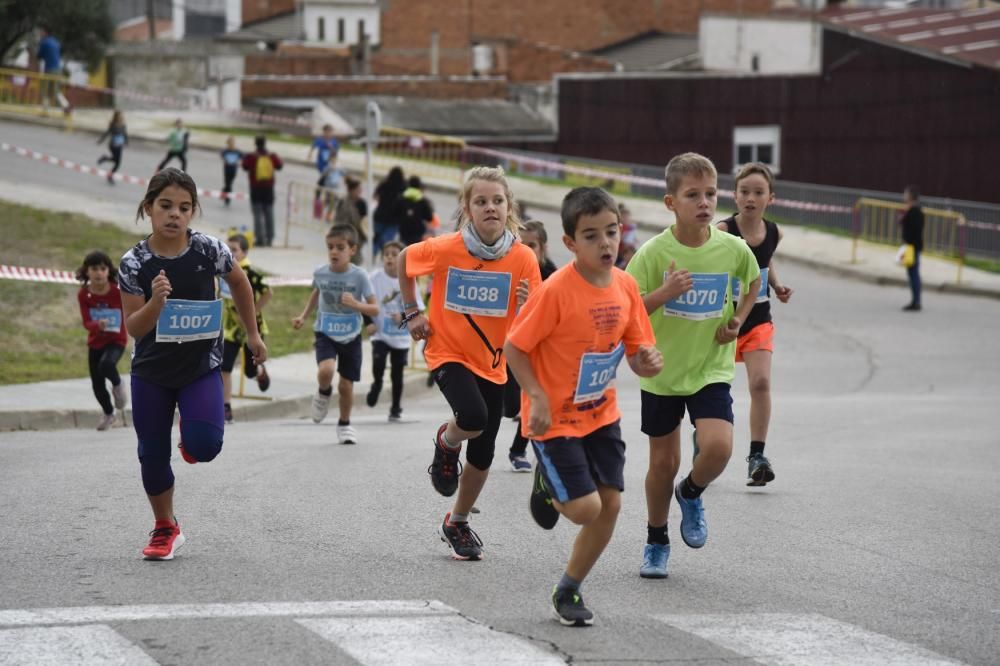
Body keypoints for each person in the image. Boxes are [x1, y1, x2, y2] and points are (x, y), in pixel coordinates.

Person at [505, 187, 662, 626]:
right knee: (583, 510)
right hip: (553, 419)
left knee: (609, 505)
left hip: (601, 415)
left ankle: (568, 589)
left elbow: (638, 352)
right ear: (570, 243)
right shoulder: (556, 291)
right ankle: (547, 483)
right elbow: (515, 348)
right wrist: (535, 396)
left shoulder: (627, 286)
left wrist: (647, 360)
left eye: (611, 232)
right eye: (591, 236)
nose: (605, 243)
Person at [118, 168, 267, 561]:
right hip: (152, 371)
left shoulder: (210, 250)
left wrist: (252, 334)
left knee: (205, 446)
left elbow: (240, 284)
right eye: (165, 206)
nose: (174, 215)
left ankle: (191, 436)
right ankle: (165, 527)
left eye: (184, 208)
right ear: (148, 208)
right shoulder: (134, 262)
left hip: (200, 366)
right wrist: (155, 303)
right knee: (151, 453)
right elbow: (134, 327)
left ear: (193, 212)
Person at [625, 152, 760, 579]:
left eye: (710, 194)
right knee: (662, 464)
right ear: (671, 202)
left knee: (719, 447)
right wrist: (665, 293)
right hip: (662, 372)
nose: (704, 203)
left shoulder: (732, 248)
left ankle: (692, 491)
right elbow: (626, 309)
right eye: (692, 195)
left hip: (710, 367)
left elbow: (753, 280)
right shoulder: (651, 254)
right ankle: (656, 539)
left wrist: (738, 319)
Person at [398, 165, 542, 561]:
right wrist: (413, 312)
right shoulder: (446, 248)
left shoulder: (524, 258)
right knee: (472, 416)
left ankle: (457, 521)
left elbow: (536, 318)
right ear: (467, 207)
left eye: (497, 200)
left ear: (508, 205)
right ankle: (446, 442)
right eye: (481, 201)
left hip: (493, 362)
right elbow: (406, 260)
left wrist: (527, 306)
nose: (490, 207)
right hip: (447, 351)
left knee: (484, 452)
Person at [717, 163, 793, 487]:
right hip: (723, 322)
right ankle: (705, 438)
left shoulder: (774, 232)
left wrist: (775, 285)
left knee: (760, 384)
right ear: (734, 195)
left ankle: (757, 456)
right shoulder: (722, 231)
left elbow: (765, 260)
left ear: (770, 198)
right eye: (744, 191)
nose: (750, 198)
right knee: (713, 390)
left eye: (758, 192)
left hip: (758, 319)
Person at [292, 225, 378, 445]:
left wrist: (356, 304)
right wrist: (303, 316)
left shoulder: (360, 276)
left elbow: (375, 309)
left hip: (351, 335)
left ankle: (344, 424)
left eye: (340, 247)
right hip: (325, 331)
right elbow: (317, 292)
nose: (334, 252)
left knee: (346, 385)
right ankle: (323, 393)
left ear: (352, 250)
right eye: (330, 247)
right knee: (326, 370)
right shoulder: (321, 272)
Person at [504, 219, 558, 473]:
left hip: (537, 351)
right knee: (510, 406)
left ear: (543, 248)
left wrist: (529, 306)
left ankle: (518, 450)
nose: (526, 250)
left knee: (531, 398)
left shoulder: (553, 277)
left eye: (532, 245)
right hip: (506, 348)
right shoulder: (508, 270)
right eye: (520, 244)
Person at [365, 240, 424, 420]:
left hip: (400, 336)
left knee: (397, 373)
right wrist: (368, 322)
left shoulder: (408, 279)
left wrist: (402, 316)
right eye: (387, 254)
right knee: (379, 363)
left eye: (394, 254)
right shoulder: (373, 278)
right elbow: (363, 302)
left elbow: (419, 309)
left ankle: (396, 407)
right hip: (380, 334)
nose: (390, 258)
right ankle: (376, 385)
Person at [220, 233, 272, 424]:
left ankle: (259, 372)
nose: (230, 254)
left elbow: (268, 293)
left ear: (244, 252)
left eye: (234, 250)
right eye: (228, 249)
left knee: (249, 371)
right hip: (232, 329)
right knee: (224, 366)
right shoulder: (222, 270)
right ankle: (226, 406)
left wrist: (251, 311)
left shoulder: (251, 273)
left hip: (252, 328)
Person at [76, 250, 129, 431]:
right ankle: (109, 413)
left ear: (108, 271)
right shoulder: (84, 295)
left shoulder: (117, 292)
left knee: (106, 365)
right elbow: (86, 322)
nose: (98, 272)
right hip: (96, 342)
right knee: (97, 384)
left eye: (102, 268)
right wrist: (97, 324)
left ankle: (118, 385)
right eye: (94, 269)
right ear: (87, 272)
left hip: (116, 340)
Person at [241, 135, 284, 248]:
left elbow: (244, 166)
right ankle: (270, 238)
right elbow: (279, 166)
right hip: (269, 189)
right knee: (269, 212)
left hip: (255, 189)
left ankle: (260, 239)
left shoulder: (251, 156)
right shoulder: (271, 156)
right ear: (265, 143)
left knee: (257, 214)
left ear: (255, 144)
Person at [333, 176, 369, 265]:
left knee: (355, 260)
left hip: (357, 237)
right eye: (358, 189)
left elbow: (364, 222)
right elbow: (338, 219)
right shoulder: (343, 202)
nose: (360, 191)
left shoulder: (362, 203)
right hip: (343, 235)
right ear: (352, 190)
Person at [372, 167, 406, 258]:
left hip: (380, 216)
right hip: (394, 219)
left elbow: (375, 197)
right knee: (387, 240)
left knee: (376, 238)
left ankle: (373, 255)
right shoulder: (403, 187)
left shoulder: (384, 184)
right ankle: (386, 256)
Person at [900, 185, 925, 312]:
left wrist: (908, 242)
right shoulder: (913, 209)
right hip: (912, 246)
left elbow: (914, 230)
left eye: (905, 193)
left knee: (913, 273)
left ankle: (916, 301)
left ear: (910, 196)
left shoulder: (915, 211)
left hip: (912, 247)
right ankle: (915, 300)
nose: (903, 196)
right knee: (912, 273)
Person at [36, 25, 70, 115]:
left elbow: (39, 56)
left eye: (41, 32)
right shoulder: (56, 42)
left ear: (46, 33)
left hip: (49, 70)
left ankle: (45, 111)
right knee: (56, 91)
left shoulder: (44, 43)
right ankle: (66, 106)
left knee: (45, 91)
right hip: (58, 70)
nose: (40, 33)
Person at [396, 176, 434, 247]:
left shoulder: (401, 198)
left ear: (408, 185)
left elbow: (395, 212)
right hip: (417, 231)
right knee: (413, 250)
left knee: (402, 248)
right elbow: (429, 218)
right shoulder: (423, 200)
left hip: (403, 229)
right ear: (419, 186)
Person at [97, 111, 128, 184]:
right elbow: (107, 133)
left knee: (116, 162)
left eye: (122, 115)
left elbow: (125, 134)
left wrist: (126, 141)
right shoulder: (113, 125)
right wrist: (100, 140)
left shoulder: (123, 125)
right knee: (117, 162)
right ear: (116, 117)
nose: (121, 117)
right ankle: (110, 176)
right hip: (113, 145)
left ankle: (105, 159)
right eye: (120, 116)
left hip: (120, 146)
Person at [220, 137, 243, 207]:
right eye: (230, 143)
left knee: (229, 183)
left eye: (232, 142)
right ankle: (227, 198)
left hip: (233, 170)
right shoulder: (225, 151)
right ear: (228, 143)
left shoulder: (237, 151)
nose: (231, 144)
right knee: (228, 184)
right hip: (227, 169)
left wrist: (239, 163)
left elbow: (243, 157)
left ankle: (224, 192)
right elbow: (222, 155)